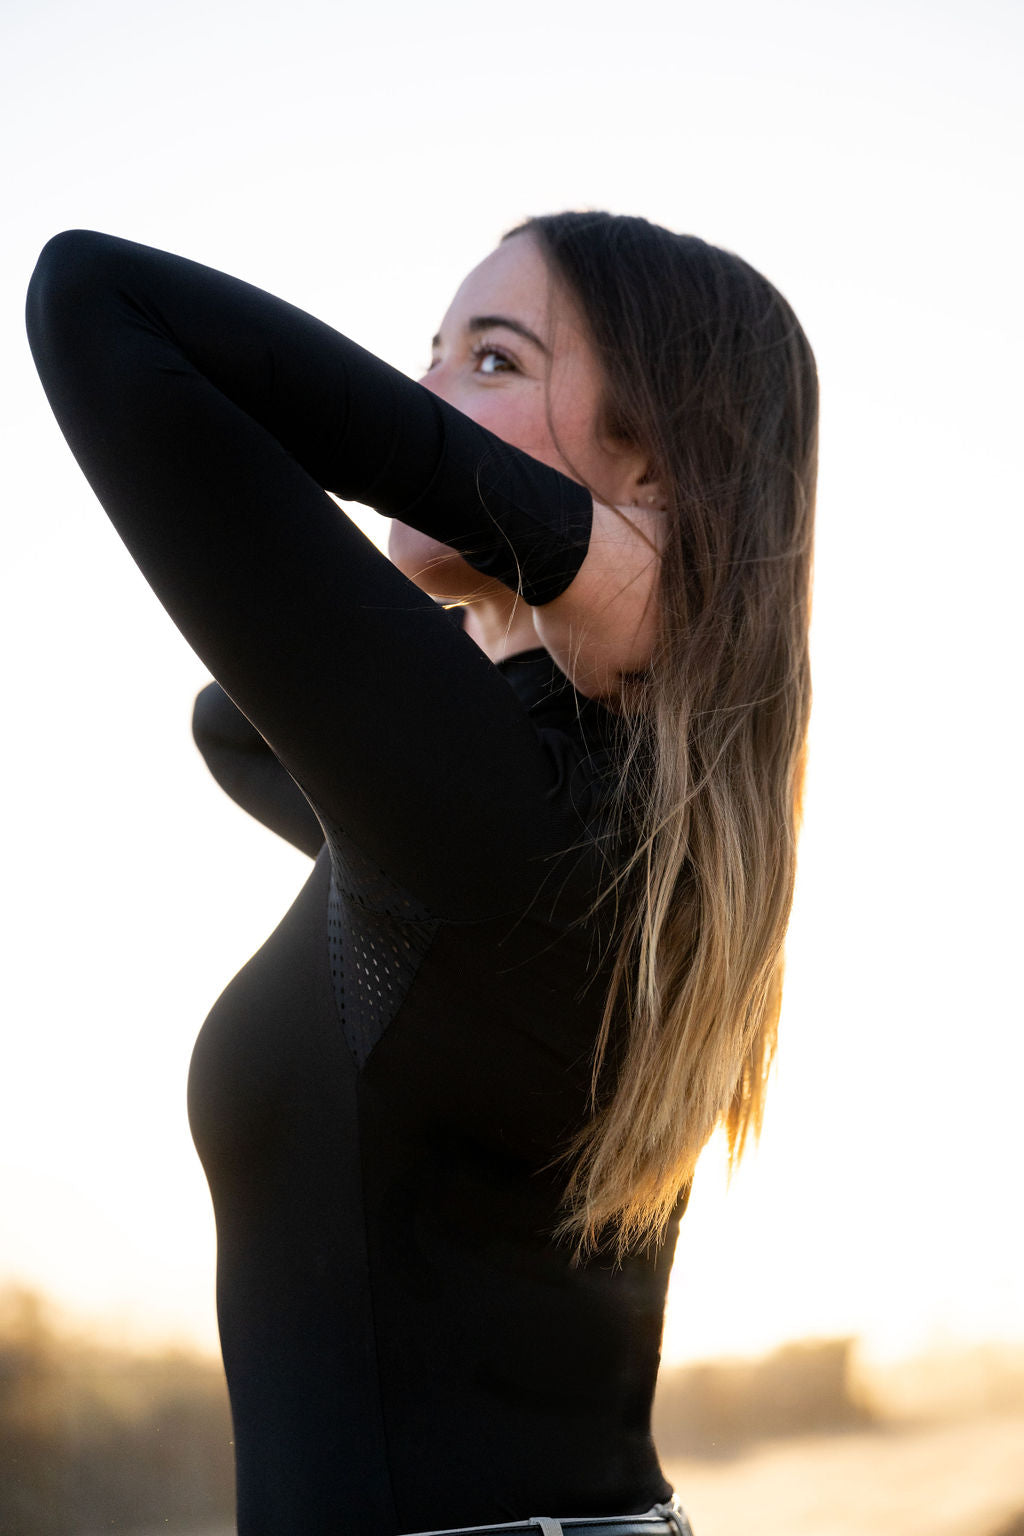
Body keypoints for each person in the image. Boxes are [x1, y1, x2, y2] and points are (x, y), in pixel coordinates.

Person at [26, 211, 817, 1536]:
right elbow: (236, 727)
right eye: (426, 355)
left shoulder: (528, 826)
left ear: (658, 464)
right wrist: (583, 569)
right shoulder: (553, 817)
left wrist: (582, 549)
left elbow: (97, 302)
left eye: (493, 360)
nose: (417, 399)